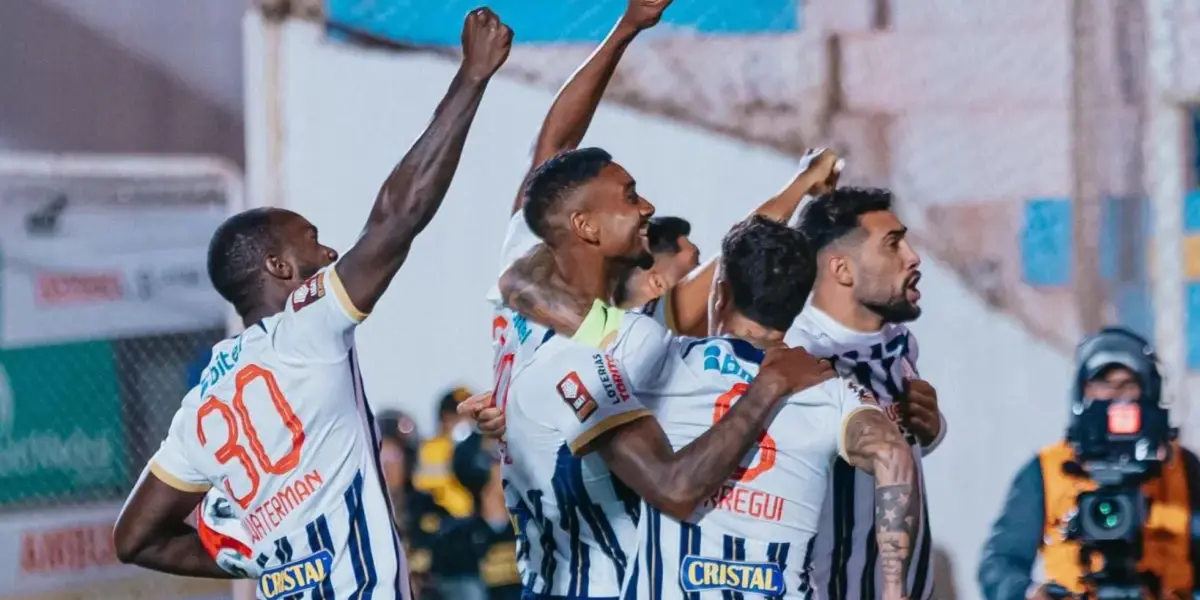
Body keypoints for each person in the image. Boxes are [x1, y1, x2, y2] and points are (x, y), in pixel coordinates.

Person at [111, 9, 512, 599]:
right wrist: (472, 77)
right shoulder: (304, 327)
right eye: (313, 239)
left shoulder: (204, 404)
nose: (329, 251)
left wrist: (256, 561)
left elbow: (134, 539)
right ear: (279, 268)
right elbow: (398, 218)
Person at [616, 217, 920, 600]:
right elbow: (892, 453)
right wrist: (894, 588)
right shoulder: (829, 389)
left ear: (720, 294)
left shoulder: (664, 360)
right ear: (796, 306)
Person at [785, 188, 946, 600]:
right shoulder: (797, 358)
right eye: (893, 244)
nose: (913, 257)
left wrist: (932, 429)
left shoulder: (899, 345)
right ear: (842, 269)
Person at [978, 327, 1200, 600]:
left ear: (1148, 392)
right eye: (1103, 385)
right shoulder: (1048, 470)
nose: (1115, 398)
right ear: (1082, 391)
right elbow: (999, 562)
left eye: (1127, 385)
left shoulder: (1183, 470)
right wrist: (1030, 594)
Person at [414, 387, 476, 517]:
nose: (464, 423)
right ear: (443, 419)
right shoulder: (430, 450)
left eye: (470, 417)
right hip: (444, 517)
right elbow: (426, 486)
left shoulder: (484, 447)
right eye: (456, 417)